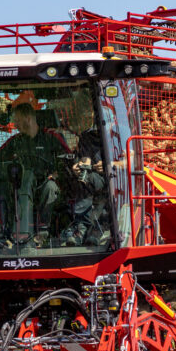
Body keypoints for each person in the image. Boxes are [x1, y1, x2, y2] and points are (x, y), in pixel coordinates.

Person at [0, 91, 69, 241]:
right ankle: (4, 233)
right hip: (20, 189)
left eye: (17, 120)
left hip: (44, 186)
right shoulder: (16, 141)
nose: (15, 124)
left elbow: (69, 160)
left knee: (50, 187)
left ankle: (43, 232)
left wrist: (56, 174)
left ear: (28, 118)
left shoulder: (52, 137)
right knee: (3, 186)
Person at [59, 99, 107, 246]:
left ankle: (81, 228)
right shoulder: (87, 137)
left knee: (88, 182)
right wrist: (79, 166)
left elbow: (131, 159)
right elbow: (85, 159)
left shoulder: (117, 133)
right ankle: (85, 230)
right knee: (83, 178)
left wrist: (109, 165)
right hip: (94, 178)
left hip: (113, 178)